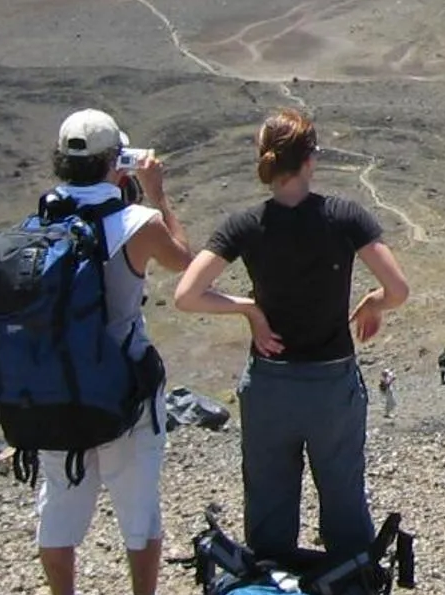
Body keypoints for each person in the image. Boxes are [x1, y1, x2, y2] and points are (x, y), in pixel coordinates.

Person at [175, 109, 411, 568]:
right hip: (330, 386)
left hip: (269, 386)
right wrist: (371, 303)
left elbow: (187, 295)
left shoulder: (244, 225)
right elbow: (398, 290)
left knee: (268, 495)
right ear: (310, 160)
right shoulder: (344, 216)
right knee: (342, 490)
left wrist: (248, 309)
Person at [37, 108, 194, 595]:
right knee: (137, 500)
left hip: (57, 390)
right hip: (125, 383)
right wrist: (156, 194)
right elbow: (187, 264)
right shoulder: (137, 223)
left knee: (60, 502)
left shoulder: (40, 225)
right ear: (115, 163)